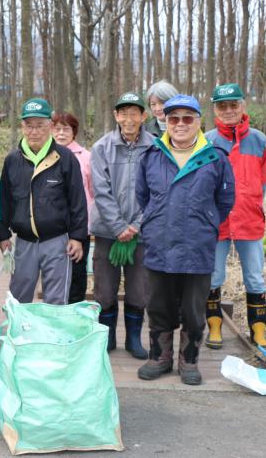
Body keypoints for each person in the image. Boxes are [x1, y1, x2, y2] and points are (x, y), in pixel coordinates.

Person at [136, 94, 235, 385]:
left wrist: (205, 222)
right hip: (159, 243)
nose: (180, 124)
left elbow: (225, 200)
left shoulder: (215, 158)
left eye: (187, 118)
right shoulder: (151, 156)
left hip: (197, 246)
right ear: (165, 121)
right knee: (158, 305)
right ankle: (160, 357)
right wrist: (157, 221)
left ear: (198, 122)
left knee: (194, 308)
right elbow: (143, 197)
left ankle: (188, 360)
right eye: (173, 118)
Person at [0, 98, 87, 305]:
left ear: (50, 126)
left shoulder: (65, 158)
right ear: (22, 127)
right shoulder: (12, 160)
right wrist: (2, 234)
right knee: (19, 297)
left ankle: (52, 338)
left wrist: (77, 237)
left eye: (40, 125)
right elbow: (5, 199)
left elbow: (77, 201)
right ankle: (19, 336)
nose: (34, 131)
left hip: (57, 241)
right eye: (29, 126)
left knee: (56, 299)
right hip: (24, 242)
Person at [204, 83, 266, 349]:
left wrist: (251, 202)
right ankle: (215, 327)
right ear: (215, 110)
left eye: (234, 105)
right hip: (217, 222)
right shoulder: (207, 140)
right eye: (223, 106)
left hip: (249, 221)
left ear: (243, 106)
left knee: (254, 276)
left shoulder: (259, 140)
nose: (229, 110)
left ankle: (259, 330)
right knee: (213, 276)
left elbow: (264, 180)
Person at [90, 93, 155, 359]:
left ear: (143, 116)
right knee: (105, 289)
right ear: (116, 116)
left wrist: (137, 225)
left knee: (139, 289)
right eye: (123, 113)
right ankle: (107, 338)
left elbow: (156, 190)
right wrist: (118, 226)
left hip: (141, 234)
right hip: (108, 232)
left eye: (134, 113)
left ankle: (133, 339)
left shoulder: (155, 147)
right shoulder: (102, 147)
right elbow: (101, 190)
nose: (129, 119)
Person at [51, 112, 93, 303]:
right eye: (57, 128)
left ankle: (75, 312)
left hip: (78, 226)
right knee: (55, 275)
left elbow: (93, 194)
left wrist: (88, 226)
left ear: (74, 132)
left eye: (66, 129)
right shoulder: (47, 155)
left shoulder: (86, 157)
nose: (61, 133)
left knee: (77, 274)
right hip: (53, 227)